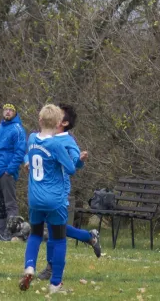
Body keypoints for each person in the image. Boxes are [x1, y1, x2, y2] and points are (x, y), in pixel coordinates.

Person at [36, 103, 101, 282]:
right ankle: (89, 237)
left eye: (59, 114)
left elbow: (74, 162)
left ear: (63, 123)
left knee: (54, 230)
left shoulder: (67, 140)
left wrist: (79, 160)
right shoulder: (47, 138)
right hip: (45, 191)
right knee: (56, 229)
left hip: (59, 191)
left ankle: (51, 268)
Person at [19, 105, 76, 294]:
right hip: (54, 199)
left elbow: (31, 158)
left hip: (35, 198)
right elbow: (71, 168)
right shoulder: (57, 145)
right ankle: (55, 284)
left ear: (40, 120)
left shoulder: (32, 139)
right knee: (59, 240)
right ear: (59, 123)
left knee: (35, 234)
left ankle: (29, 267)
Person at [0, 103, 26, 240]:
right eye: (6, 110)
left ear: (15, 113)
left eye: (10, 110)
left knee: (10, 204)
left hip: (6, 173)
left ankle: (11, 233)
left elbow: (20, 152)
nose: (8, 112)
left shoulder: (17, 129)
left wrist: (10, 170)